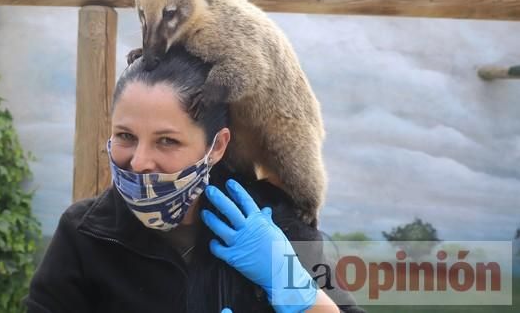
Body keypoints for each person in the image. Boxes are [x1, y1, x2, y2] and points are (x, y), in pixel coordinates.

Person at [25, 46, 364, 313]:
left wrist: (290, 285)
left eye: (167, 141)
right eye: (126, 136)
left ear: (217, 146)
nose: (139, 162)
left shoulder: (277, 227)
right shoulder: (84, 234)